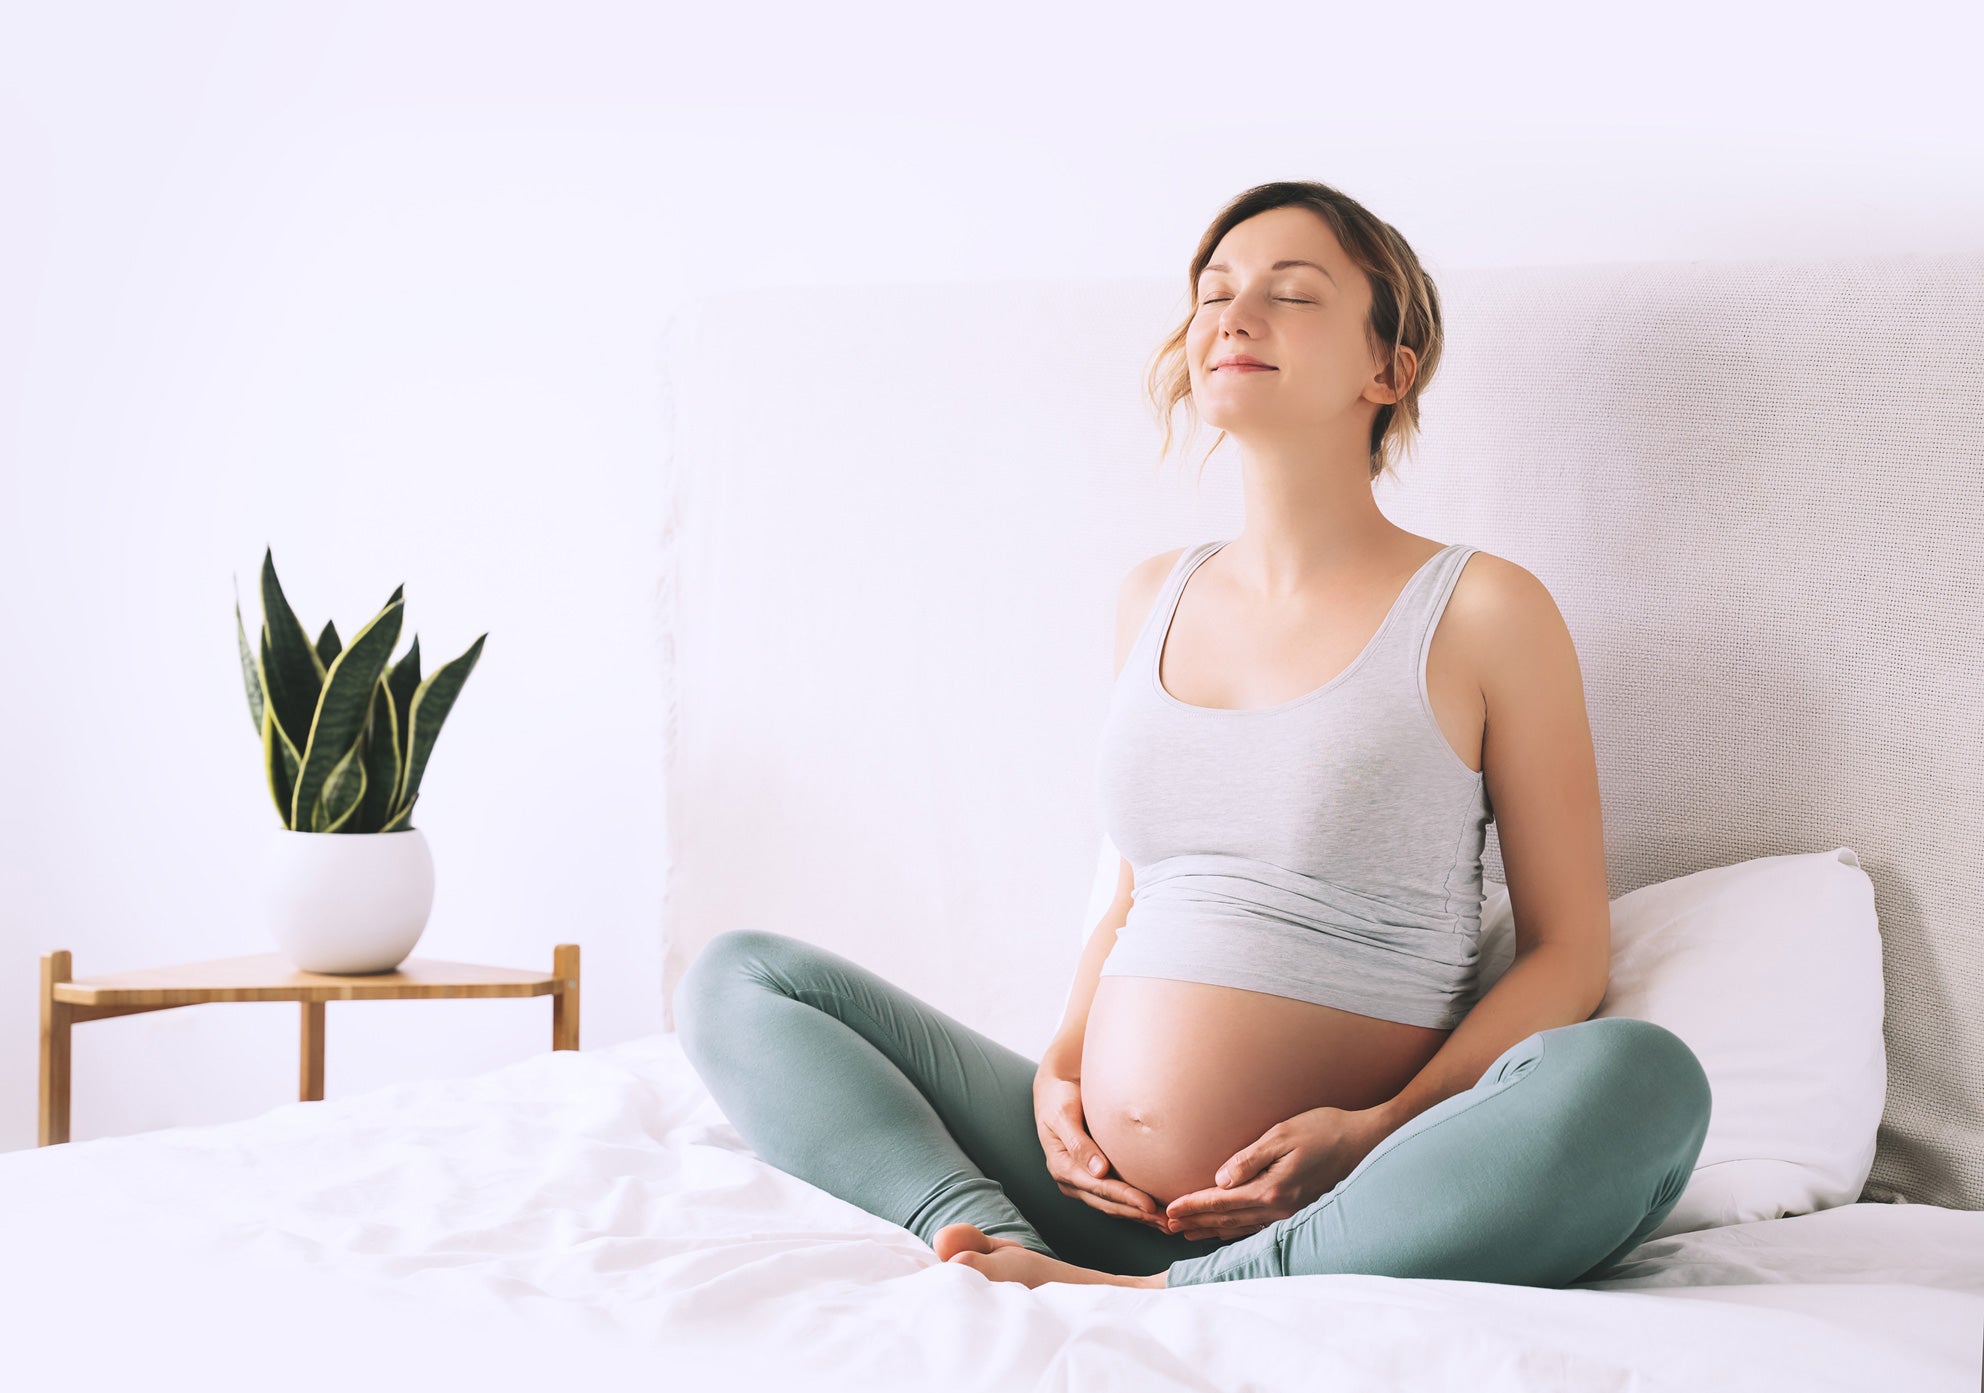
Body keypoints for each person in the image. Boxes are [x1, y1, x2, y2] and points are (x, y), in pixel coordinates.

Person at [672, 180, 1711, 1290]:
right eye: (1213, 293)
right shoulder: (1150, 595)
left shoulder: (1484, 611)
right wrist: (1060, 1070)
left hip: (1355, 1194)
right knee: (739, 980)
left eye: (1291, 294)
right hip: (1092, 1187)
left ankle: (1186, 1298)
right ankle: (983, 1236)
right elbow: (1140, 888)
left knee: (1647, 1081)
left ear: (1388, 368)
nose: (1232, 314)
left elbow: (1568, 949)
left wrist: (1380, 1126)